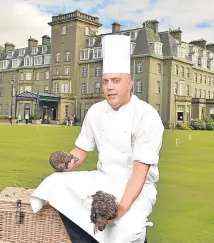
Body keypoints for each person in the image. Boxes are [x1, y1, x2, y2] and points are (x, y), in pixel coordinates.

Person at [30, 35, 164, 243]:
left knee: (126, 230)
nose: (109, 87)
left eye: (116, 81)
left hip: (138, 187)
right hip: (102, 178)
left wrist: (121, 208)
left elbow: (140, 172)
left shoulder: (147, 115)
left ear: (130, 83)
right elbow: (81, 151)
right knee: (55, 182)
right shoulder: (95, 111)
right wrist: (66, 163)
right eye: (105, 81)